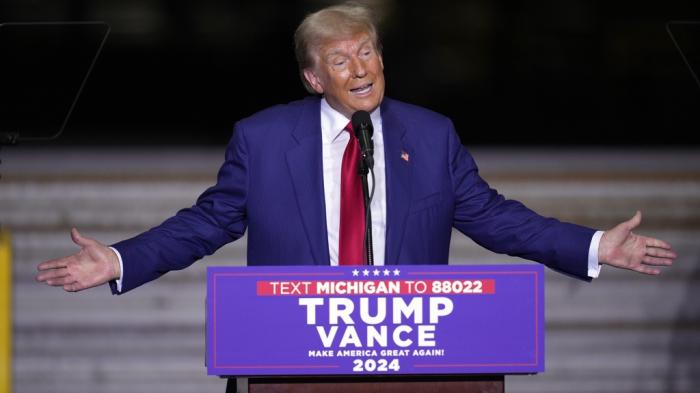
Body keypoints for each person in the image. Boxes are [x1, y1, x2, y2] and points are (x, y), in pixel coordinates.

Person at [37, 3, 675, 296]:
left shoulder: (430, 135)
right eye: (341, 59)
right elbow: (206, 224)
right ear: (315, 78)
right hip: (297, 346)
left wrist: (594, 246)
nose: (361, 67)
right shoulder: (263, 139)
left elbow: (495, 218)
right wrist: (121, 260)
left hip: (409, 348)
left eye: (368, 50)